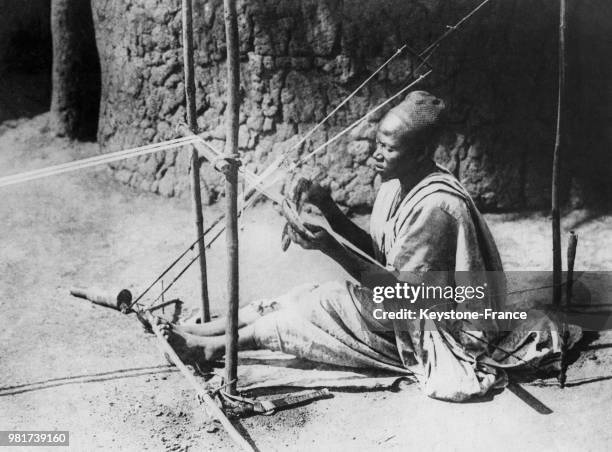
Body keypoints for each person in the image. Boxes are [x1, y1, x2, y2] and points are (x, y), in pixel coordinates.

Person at [155, 91, 576, 402]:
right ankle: (209, 330)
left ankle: (209, 348)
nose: (376, 156)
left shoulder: (436, 208)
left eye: (388, 148)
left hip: (434, 327)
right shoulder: (396, 185)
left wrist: (329, 249)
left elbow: (404, 298)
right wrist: (327, 206)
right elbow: (378, 252)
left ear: (422, 152)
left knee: (313, 310)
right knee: (310, 295)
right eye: (377, 143)